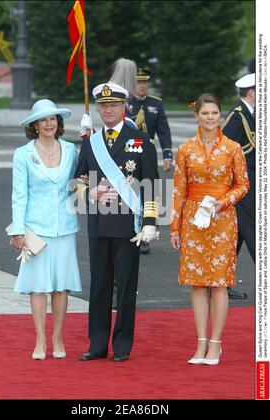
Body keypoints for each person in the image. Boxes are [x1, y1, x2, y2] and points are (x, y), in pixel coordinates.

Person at [74, 82, 159, 362]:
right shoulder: (90, 143)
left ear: (124, 108)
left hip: (127, 226)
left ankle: (122, 345)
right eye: (103, 106)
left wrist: (150, 221)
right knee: (98, 286)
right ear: (98, 109)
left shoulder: (140, 141)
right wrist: (90, 191)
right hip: (99, 224)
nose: (108, 110)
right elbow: (75, 183)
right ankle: (97, 344)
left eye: (113, 105)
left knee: (125, 287)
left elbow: (152, 184)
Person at [170, 93, 249, 365]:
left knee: (219, 283)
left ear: (220, 115)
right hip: (193, 219)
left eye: (214, 113)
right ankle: (200, 343)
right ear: (196, 116)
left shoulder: (233, 148)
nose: (210, 117)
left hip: (222, 219)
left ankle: (216, 344)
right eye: (205, 113)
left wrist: (222, 201)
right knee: (197, 283)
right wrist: (175, 227)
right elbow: (179, 190)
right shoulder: (185, 150)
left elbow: (243, 185)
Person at [8, 99, 81, 360]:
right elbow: (19, 195)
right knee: (38, 287)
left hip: (65, 227)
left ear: (58, 123)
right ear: (35, 125)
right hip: (35, 230)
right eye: (43, 120)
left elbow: (78, 184)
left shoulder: (72, 150)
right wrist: (17, 231)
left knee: (61, 287)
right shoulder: (23, 154)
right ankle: (40, 340)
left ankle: (57, 338)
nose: (49, 124)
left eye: (53, 119)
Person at [128, 67, 173, 254]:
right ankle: (132, 229)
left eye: (145, 82)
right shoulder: (125, 102)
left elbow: (163, 130)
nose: (142, 86)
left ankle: (146, 232)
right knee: (131, 191)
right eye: (138, 82)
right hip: (130, 151)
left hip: (149, 152)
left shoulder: (156, 103)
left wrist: (168, 154)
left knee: (149, 191)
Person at [222, 73, 255, 300]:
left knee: (237, 238)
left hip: (253, 185)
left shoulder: (253, 115)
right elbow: (222, 149)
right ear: (252, 92)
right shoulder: (238, 117)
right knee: (255, 234)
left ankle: (221, 284)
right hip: (243, 188)